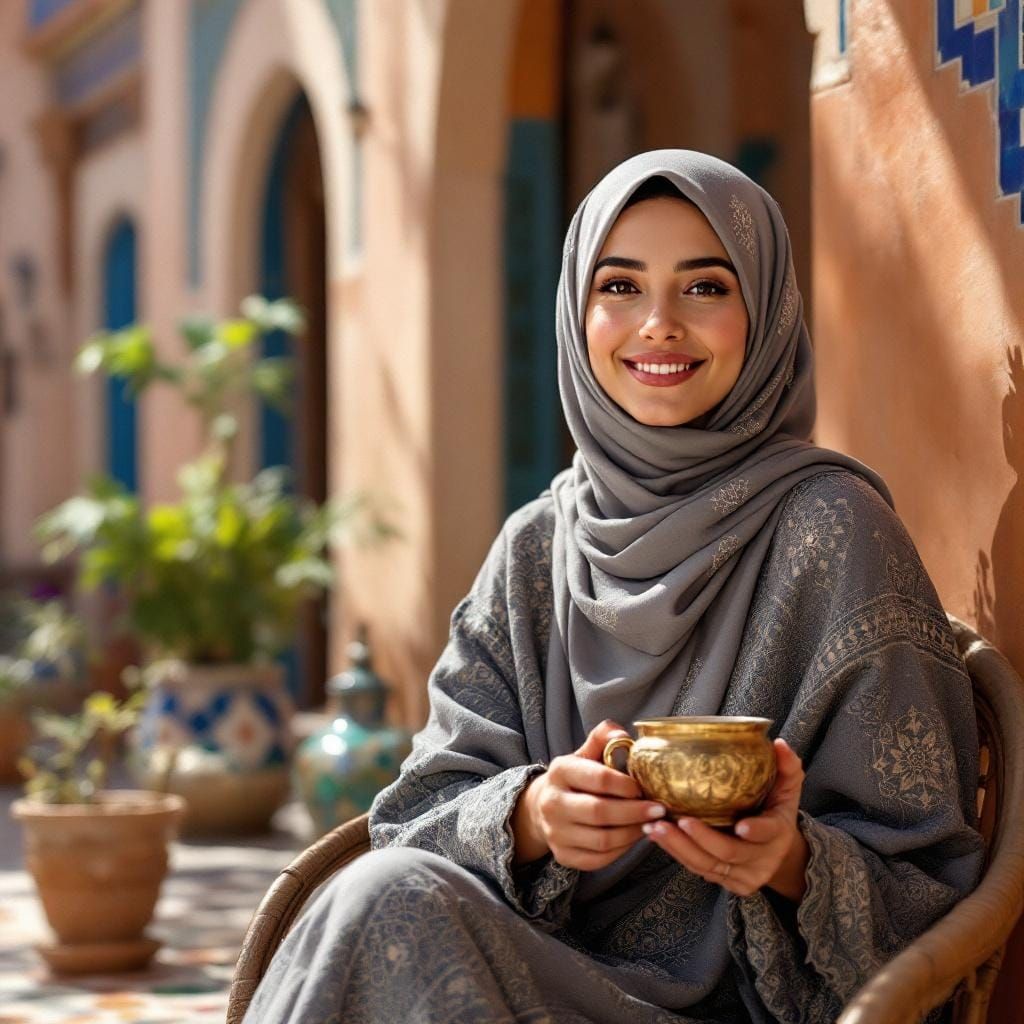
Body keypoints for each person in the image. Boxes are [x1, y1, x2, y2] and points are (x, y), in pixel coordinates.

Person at [244, 150, 984, 1023]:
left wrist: (785, 859)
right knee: (382, 895)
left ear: (768, 310)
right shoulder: (536, 549)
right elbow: (411, 814)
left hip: (738, 1005)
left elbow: (933, 887)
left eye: (706, 288)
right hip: (525, 979)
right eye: (620, 287)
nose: (659, 324)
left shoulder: (834, 531)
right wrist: (531, 819)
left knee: (384, 906)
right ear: (576, 311)